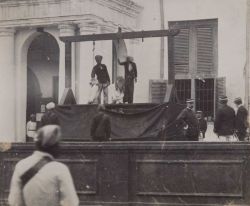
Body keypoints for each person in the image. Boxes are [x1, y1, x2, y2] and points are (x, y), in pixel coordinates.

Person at [8, 125, 79, 206]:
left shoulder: (20, 166)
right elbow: (71, 203)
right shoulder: (60, 169)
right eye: (58, 144)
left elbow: (14, 202)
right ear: (53, 146)